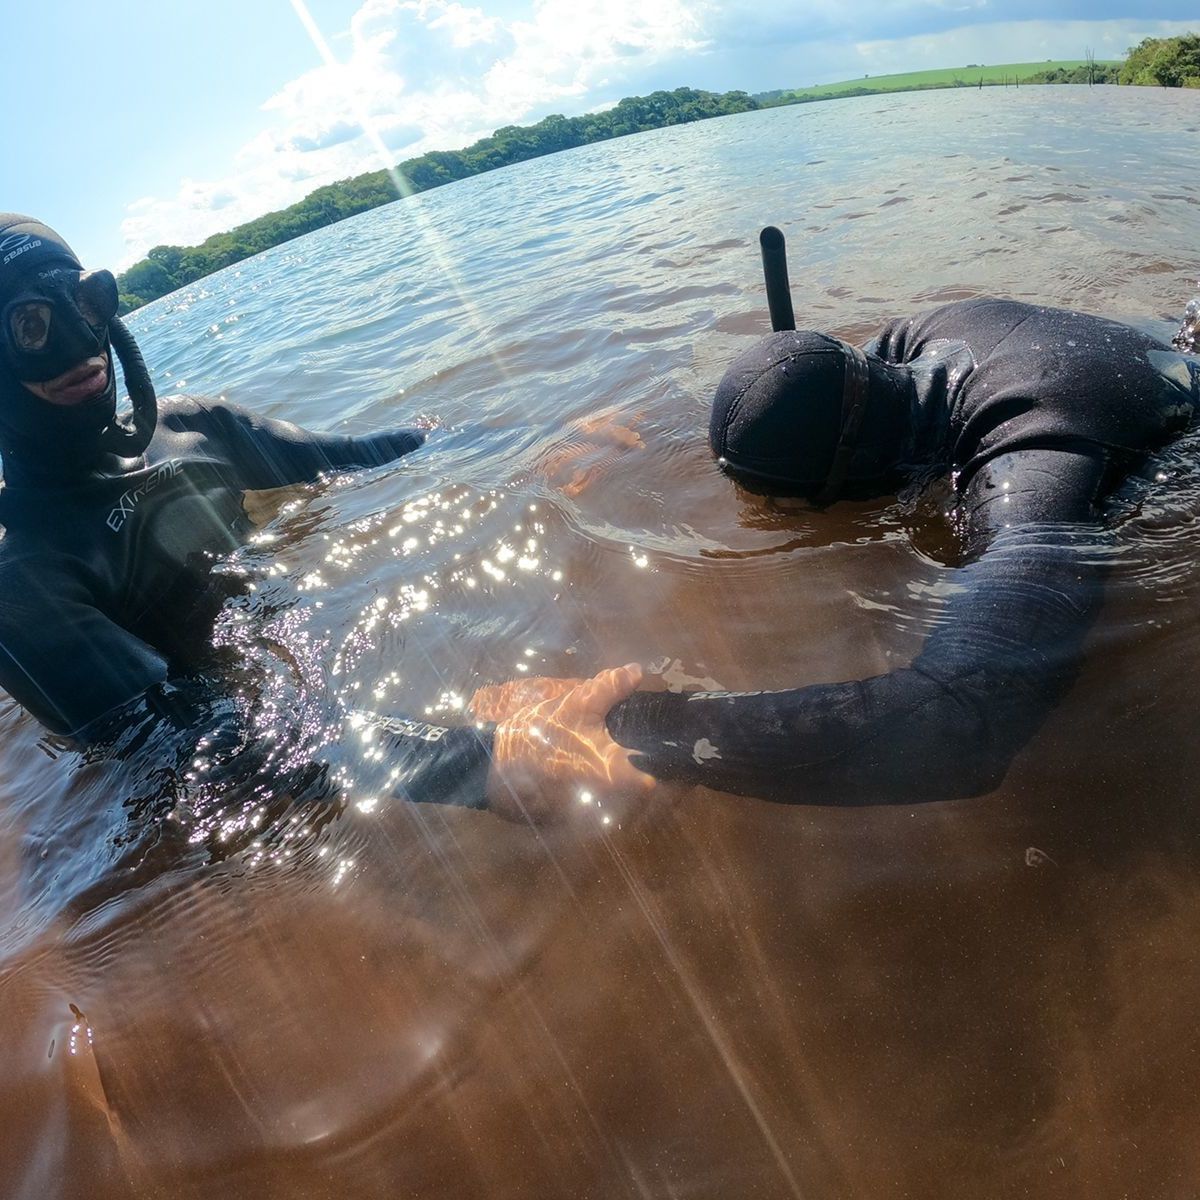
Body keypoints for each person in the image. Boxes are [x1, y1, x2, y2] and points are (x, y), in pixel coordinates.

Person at [0, 213, 650, 821]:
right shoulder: (20, 579)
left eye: (84, 302)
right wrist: (483, 764)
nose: (77, 343)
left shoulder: (196, 429)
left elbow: (362, 454)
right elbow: (183, 741)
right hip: (228, 741)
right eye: (30, 325)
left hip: (300, 650)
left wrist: (536, 439)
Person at [477, 293, 1200, 806]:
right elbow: (793, 378)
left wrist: (638, 731)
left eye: (783, 513)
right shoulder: (921, 338)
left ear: (839, 492)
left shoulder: (1034, 461)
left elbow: (963, 723)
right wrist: (614, 425)